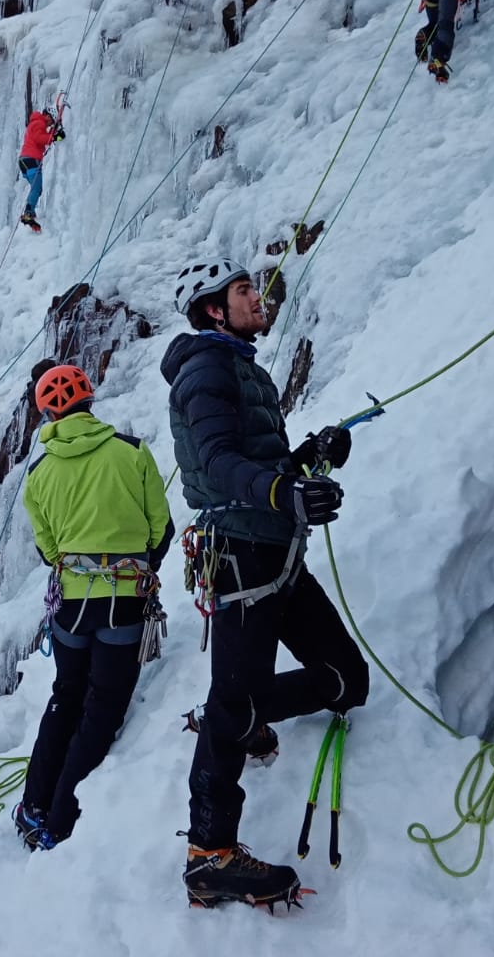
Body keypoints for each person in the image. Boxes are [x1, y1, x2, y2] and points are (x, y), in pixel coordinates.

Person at [159, 259, 370, 910]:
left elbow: (255, 457)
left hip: (275, 553)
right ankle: (209, 855)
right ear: (214, 309)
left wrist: (310, 455)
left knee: (345, 679)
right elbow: (220, 464)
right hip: (243, 558)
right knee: (237, 699)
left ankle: (237, 715)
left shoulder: (243, 368)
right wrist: (285, 491)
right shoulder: (206, 371)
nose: (258, 295)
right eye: (244, 290)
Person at [12, 363, 174, 850]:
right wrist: (137, 562)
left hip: (71, 606)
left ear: (47, 413)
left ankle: (33, 802)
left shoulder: (39, 474)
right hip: (123, 598)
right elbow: (159, 529)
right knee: (103, 704)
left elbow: (47, 550)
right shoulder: (132, 451)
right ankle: (61, 815)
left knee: (66, 695)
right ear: (89, 399)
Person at [17, 107, 64, 231]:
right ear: (47, 116)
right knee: (37, 188)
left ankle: (30, 212)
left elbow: (45, 138)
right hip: (31, 160)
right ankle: (28, 213)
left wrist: (55, 134)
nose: (50, 124)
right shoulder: (39, 123)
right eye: (51, 121)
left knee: (37, 188)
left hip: (25, 161)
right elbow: (41, 138)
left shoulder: (35, 123)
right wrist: (56, 136)